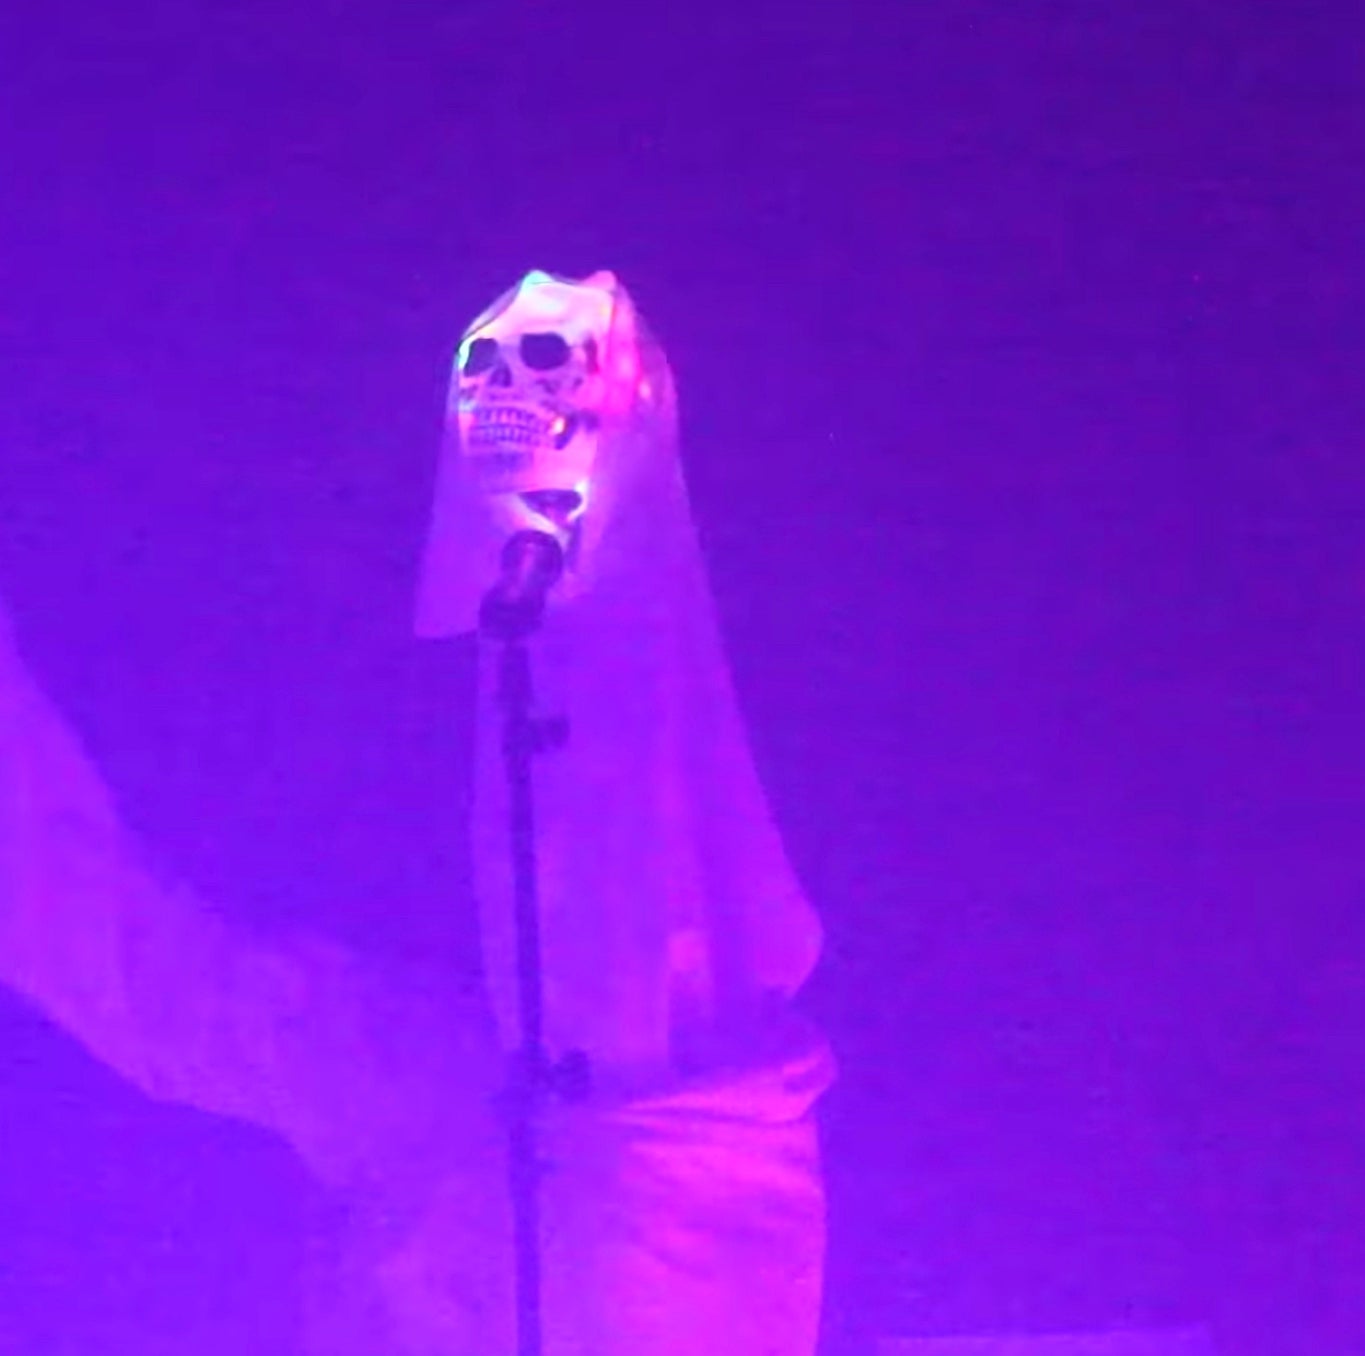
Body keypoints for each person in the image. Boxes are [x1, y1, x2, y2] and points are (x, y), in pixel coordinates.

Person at [0, 271, 833, 1355]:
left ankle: (584, 456)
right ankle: (587, 445)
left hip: (558, 1154)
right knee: (619, 823)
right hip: (633, 1138)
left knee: (170, 994)